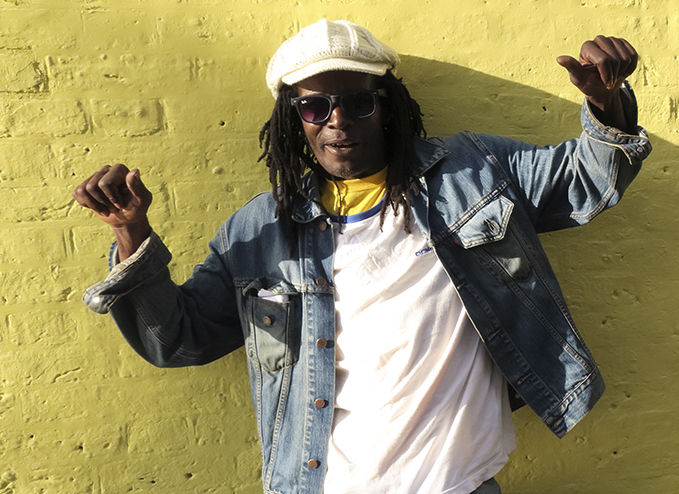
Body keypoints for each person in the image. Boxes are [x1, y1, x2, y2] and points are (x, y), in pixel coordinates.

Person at [73, 19, 647, 494]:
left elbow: (586, 181)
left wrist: (608, 104)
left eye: (357, 102)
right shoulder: (260, 232)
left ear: (387, 106)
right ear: (294, 119)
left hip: (459, 484)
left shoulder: (473, 175)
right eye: (314, 107)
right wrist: (130, 234)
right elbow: (178, 340)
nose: (337, 120)